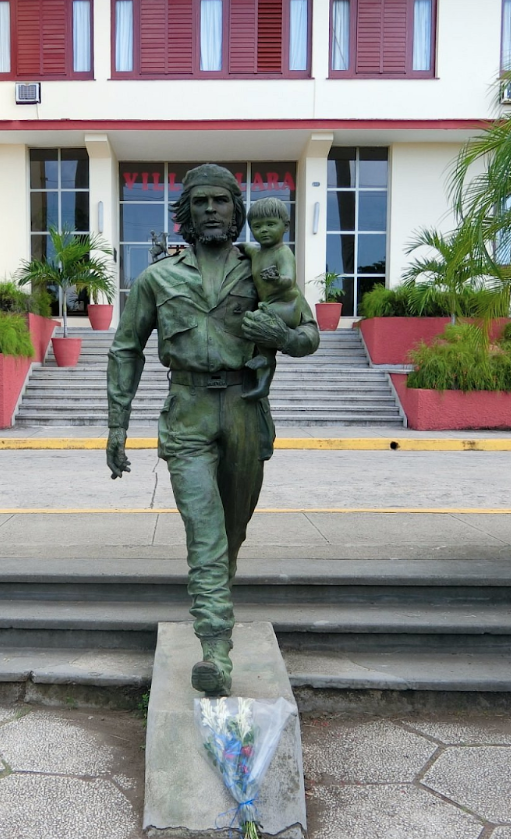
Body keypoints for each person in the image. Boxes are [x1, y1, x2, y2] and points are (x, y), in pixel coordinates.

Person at [105, 164, 320, 696]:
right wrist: (117, 424)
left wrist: (280, 335)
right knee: (205, 534)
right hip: (188, 412)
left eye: (220, 202)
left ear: (236, 210)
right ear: (185, 214)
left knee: (232, 533)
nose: (210, 211)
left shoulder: (266, 269)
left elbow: (310, 333)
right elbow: (125, 349)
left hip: (246, 412)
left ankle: (216, 610)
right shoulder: (158, 278)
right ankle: (216, 651)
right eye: (199, 203)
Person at [239, 197, 300, 401]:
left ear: (286, 226)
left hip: (287, 306)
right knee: (256, 323)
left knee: (255, 320)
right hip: (269, 307)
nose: (264, 230)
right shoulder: (256, 253)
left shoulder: (283, 252)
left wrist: (277, 280)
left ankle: (265, 359)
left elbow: (290, 280)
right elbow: (244, 246)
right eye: (257, 226)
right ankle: (263, 376)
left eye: (271, 224)